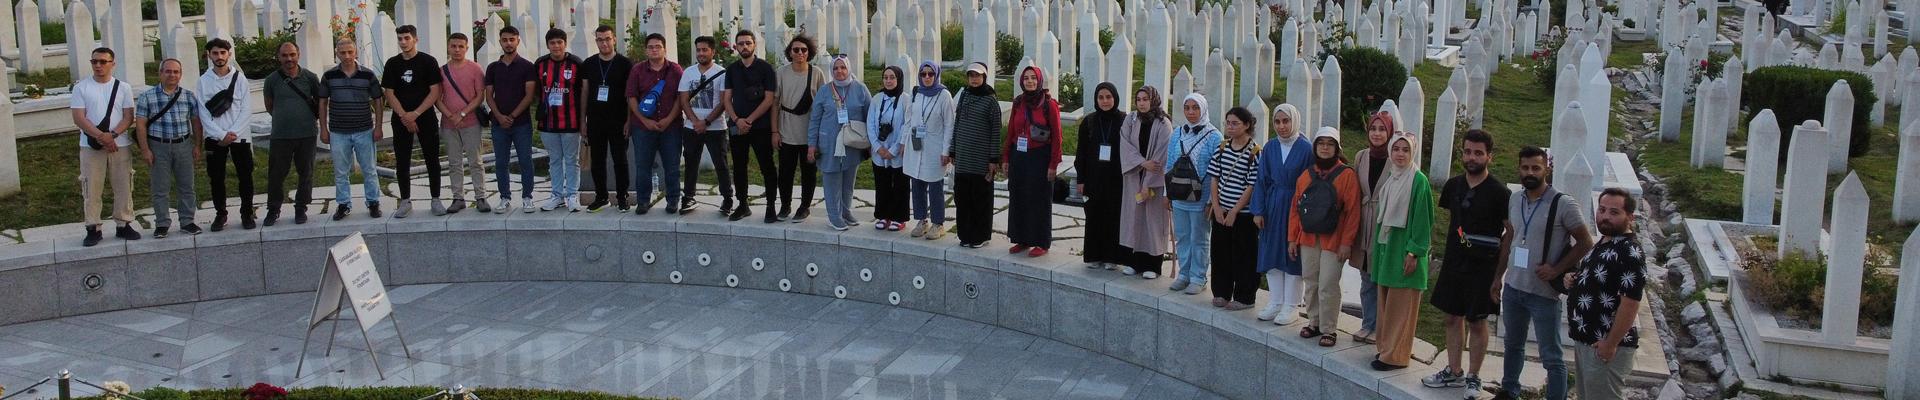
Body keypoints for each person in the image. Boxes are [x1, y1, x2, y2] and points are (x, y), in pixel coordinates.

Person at [1492, 146, 1595, 400]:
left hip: (1543, 292)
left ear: (1546, 169)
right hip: (1514, 287)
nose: (1530, 173)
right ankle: (1509, 391)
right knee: (1512, 345)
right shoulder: (1515, 199)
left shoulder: (1563, 203)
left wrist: (1556, 269)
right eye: (1525, 167)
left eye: (1536, 168)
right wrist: (1497, 278)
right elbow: (1510, 238)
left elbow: (1585, 242)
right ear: (1519, 168)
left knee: (1551, 356)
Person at [1423, 129, 1511, 395]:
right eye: (1468, 151)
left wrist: (1498, 272)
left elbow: (1510, 231)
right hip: (1454, 261)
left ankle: (1474, 376)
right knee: (1452, 317)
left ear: (1489, 156)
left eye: (1478, 153)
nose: (1472, 157)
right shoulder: (1454, 186)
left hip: (1483, 266)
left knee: (1476, 320)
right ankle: (1454, 370)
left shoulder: (1499, 193)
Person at [1566, 188, 1645, 400]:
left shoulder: (1629, 252)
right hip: (1586, 339)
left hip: (1604, 345)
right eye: (1602, 210)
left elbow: (1630, 303)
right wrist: (1573, 279)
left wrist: (1610, 344)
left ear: (1630, 217)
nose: (1605, 216)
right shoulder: (1604, 241)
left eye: (1614, 212)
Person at [1288, 127, 1363, 344]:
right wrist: (1292, 238)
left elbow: (1353, 212)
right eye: (1321, 143)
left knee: (1328, 283)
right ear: (1315, 147)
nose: (1325, 148)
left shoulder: (1347, 175)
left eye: (1330, 144)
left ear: (1337, 148)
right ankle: (1314, 321)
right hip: (1309, 238)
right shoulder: (1306, 175)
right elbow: (1295, 209)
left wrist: (1347, 243)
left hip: (1334, 240)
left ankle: (1329, 328)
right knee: (1311, 280)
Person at [1369, 132, 1433, 372]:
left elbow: (1423, 220)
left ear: (1413, 152)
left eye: (1406, 150)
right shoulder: (1392, 177)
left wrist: (1414, 252)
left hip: (1405, 249)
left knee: (1401, 304)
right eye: (1396, 149)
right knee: (1387, 303)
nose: (1400, 154)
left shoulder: (1418, 181)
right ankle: (1385, 348)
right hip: (1388, 247)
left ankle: (1395, 355)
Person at [73, 47, 140, 246]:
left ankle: (123, 223)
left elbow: (128, 116)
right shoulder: (81, 87)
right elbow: (79, 117)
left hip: (120, 145)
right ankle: (93, 226)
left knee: (123, 185)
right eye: (94, 61)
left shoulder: (123, 87)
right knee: (91, 187)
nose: (98, 65)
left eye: (103, 61)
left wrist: (113, 135)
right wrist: (101, 136)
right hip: (91, 146)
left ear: (113, 64)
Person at [1251, 104, 1312, 322]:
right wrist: (1258, 210)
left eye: (1286, 121)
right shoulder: (1270, 147)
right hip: (1273, 205)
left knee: (1292, 255)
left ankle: (1291, 305)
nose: (1281, 126)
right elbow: (1261, 180)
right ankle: (1275, 301)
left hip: (1296, 207)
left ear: (1294, 121)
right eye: (1277, 122)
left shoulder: (1306, 149)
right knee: (1271, 252)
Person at [380, 25, 445, 217]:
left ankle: (436, 199)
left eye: (407, 38)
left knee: (432, 159)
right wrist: (404, 116)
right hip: (401, 119)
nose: (403, 42)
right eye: (400, 38)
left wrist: (415, 114)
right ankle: (405, 201)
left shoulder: (428, 61)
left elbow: (435, 91)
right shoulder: (392, 63)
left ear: (415, 39)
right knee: (402, 160)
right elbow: (389, 93)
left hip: (425, 117)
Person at [136, 58, 204, 238]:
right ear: (160, 73)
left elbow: (196, 122)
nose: (172, 75)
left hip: (183, 145)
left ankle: (187, 221)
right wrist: (145, 150)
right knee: (160, 188)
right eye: (168, 71)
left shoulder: (188, 96)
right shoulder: (147, 97)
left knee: (187, 186)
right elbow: (140, 125)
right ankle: (162, 223)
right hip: (158, 146)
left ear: (180, 74)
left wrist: (197, 145)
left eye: (176, 72)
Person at [320, 38, 386, 221]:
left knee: (369, 169)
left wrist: (378, 126)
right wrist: (323, 128)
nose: (347, 56)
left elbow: (378, 100)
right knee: (341, 172)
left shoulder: (368, 75)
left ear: (356, 52)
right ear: (337, 54)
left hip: (364, 130)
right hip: (338, 131)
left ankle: (373, 202)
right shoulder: (329, 76)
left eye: (350, 52)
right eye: (343, 53)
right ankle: (343, 204)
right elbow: (322, 102)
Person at [1165, 93, 1222, 294]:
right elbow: (1169, 164)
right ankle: (1184, 274)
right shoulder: (1177, 133)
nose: (1191, 112)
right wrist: (1166, 193)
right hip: (1179, 194)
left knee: (1199, 237)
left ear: (1203, 109)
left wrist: (1211, 200)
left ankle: (1198, 277)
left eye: (1195, 108)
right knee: (1182, 236)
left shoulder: (1214, 136)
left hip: (1201, 197)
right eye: (1187, 108)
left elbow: (1217, 172)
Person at [1003, 66, 1062, 257]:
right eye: (1026, 78)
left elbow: (1057, 137)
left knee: (1039, 199)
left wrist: (1053, 164)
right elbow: (1011, 131)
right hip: (1019, 155)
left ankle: (1041, 241)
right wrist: (1006, 157)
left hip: (1040, 156)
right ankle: (1021, 238)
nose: (1030, 81)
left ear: (1039, 80)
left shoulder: (1048, 104)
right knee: (1019, 196)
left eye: (1033, 78)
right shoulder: (1018, 102)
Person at [1206, 107, 1261, 309]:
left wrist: (1235, 211)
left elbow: (1251, 186)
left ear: (1247, 125)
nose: (1230, 127)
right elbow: (1214, 178)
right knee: (1220, 253)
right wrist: (1217, 206)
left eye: (1235, 123)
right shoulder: (1222, 147)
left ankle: (1245, 297)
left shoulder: (1254, 152)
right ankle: (1221, 292)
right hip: (1221, 212)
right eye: (1228, 122)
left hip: (1243, 215)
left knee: (1244, 255)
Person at [807, 55, 870, 231]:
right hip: (828, 142)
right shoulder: (824, 91)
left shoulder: (860, 89)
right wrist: (812, 144)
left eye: (843, 67)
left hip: (852, 142)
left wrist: (871, 142)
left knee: (848, 180)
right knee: (832, 180)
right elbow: (814, 119)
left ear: (848, 68)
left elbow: (869, 115)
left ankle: (846, 211)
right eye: (835, 68)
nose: (839, 71)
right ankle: (834, 216)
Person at [1351, 111, 1398, 344]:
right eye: (1373, 129)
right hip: (1364, 222)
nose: (1377, 134)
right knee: (1366, 276)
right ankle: (1368, 323)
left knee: (1382, 277)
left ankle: (1382, 327)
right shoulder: (1361, 157)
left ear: (1389, 132)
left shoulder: (1396, 157)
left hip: (1385, 223)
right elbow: (1355, 190)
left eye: (1382, 129)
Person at [199, 38, 256, 230]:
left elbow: (246, 109)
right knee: (216, 178)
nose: (219, 56)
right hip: (215, 138)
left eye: (223, 53)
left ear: (229, 54)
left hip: (239, 136)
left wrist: (233, 133)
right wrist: (220, 134)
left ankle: (247, 213)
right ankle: (220, 214)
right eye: (215, 53)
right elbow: (203, 113)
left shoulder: (240, 79)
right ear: (209, 55)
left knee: (245, 175)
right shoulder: (203, 81)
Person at [262, 42, 321, 226]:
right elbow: (269, 105)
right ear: (278, 57)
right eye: (285, 55)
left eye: (292, 54)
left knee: (306, 173)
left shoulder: (310, 78)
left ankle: (301, 208)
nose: (289, 59)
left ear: (298, 54)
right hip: (281, 135)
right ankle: (273, 209)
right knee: (276, 175)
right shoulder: (271, 80)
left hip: (307, 133)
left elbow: (320, 102)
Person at [625, 32, 684, 215]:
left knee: (672, 166)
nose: (654, 50)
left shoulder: (675, 70)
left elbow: (681, 97)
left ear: (664, 49)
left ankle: (673, 200)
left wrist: (669, 119)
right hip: (643, 127)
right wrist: (645, 121)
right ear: (646, 50)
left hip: (671, 127)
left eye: (658, 46)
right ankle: (643, 201)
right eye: (650, 47)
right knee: (643, 166)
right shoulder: (637, 70)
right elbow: (631, 97)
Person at [724, 30, 780, 221]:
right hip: (737, 126)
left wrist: (749, 120)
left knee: (767, 166)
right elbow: (727, 99)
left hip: (761, 127)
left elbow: (769, 99)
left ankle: (771, 206)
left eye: (748, 43)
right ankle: (742, 204)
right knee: (739, 167)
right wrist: (737, 120)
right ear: (736, 47)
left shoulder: (765, 68)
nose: (744, 46)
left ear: (754, 44)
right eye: (741, 43)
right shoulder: (732, 70)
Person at [1117, 86, 1172, 278]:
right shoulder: (1131, 120)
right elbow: (1125, 145)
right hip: (1134, 175)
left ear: (1153, 100)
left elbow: (1161, 155)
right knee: (1134, 219)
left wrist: (1148, 181)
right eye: (1138, 99)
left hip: (1154, 181)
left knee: (1153, 221)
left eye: (1145, 99)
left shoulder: (1163, 123)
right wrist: (1142, 162)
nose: (1141, 103)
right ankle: (1134, 262)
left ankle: (1153, 266)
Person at [485, 25, 539, 213]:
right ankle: (504, 197)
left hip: (521, 123)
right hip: (498, 124)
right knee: (501, 162)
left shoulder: (527, 66)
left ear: (518, 41)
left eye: (511, 39)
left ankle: (527, 197)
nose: (508, 43)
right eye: (504, 40)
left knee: (525, 161)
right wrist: (500, 117)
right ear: (500, 41)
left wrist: (512, 116)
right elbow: (489, 96)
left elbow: (529, 96)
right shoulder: (493, 68)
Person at [948, 62, 1003, 248]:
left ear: (984, 77)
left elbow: (996, 131)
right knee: (963, 198)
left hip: (981, 160)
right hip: (963, 158)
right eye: (971, 75)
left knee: (981, 199)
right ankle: (965, 235)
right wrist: (953, 149)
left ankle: (980, 236)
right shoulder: (964, 95)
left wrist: (993, 159)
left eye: (978, 75)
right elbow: (957, 123)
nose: (974, 79)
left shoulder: (990, 100)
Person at [774, 35, 827, 223]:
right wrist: (774, 131)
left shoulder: (816, 73)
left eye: (803, 50)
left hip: (809, 132)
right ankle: (785, 205)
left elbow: (823, 103)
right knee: (785, 172)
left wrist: (820, 134)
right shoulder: (781, 72)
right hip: (786, 130)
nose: (800, 53)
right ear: (790, 52)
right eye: (795, 49)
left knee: (808, 172)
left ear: (809, 52)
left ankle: (805, 206)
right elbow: (775, 103)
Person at [679, 36, 735, 217]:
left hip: (716, 127)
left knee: (721, 164)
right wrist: (695, 121)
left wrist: (707, 122)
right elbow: (683, 99)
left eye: (705, 50)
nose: (701, 53)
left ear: (713, 52)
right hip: (691, 127)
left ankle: (727, 198)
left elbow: (723, 101)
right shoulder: (688, 72)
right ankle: (688, 197)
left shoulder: (722, 73)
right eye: (698, 50)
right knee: (691, 162)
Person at [579, 25, 633, 212]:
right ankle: (601, 196)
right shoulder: (589, 63)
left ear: (614, 39)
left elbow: (630, 95)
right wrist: (582, 121)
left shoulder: (625, 64)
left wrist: (629, 120)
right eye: (600, 39)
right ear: (596, 41)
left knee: (620, 160)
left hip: (618, 119)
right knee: (597, 160)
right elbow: (585, 92)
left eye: (607, 39)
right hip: (595, 119)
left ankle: (622, 196)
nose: (604, 43)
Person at [437, 32, 492, 214]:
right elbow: (437, 97)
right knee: (454, 162)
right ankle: (458, 197)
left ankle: (481, 197)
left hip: (471, 122)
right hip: (449, 124)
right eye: (453, 46)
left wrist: (462, 113)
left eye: (461, 46)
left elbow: (479, 96)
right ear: (448, 47)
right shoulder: (442, 71)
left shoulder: (475, 68)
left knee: (475, 161)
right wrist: (450, 115)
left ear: (467, 48)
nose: (457, 50)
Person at [1075, 82, 1127, 267]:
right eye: (1101, 97)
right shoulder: (1089, 122)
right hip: (1093, 178)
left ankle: (1112, 258)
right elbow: (1081, 152)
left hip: (1116, 179)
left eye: (1108, 97)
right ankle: (1094, 256)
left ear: (1115, 98)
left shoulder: (1124, 121)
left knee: (1113, 217)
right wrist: (1081, 179)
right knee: (1094, 216)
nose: (1105, 101)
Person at [534, 28, 585, 212]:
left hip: (571, 121)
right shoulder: (540, 64)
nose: (556, 46)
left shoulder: (576, 63)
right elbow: (536, 91)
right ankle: (556, 195)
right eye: (552, 43)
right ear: (547, 45)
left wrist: (583, 120)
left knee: (572, 160)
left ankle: (572, 195)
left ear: (565, 43)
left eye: (559, 42)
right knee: (554, 160)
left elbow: (583, 91)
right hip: (548, 122)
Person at [901, 61, 953, 240]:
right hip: (915, 145)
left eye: (931, 74)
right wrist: (903, 142)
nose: (927, 77)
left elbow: (949, 125)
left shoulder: (944, 95)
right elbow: (908, 120)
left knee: (935, 185)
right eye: (923, 74)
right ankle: (922, 220)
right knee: (917, 184)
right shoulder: (916, 93)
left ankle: (938, 223)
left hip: (934, 147)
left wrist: (946, 150)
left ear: (936, 75)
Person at [866, 65, 910, 231]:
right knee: (882, 184)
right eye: (886, 78)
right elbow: (870, 124)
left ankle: (899, 217)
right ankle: (883, 215)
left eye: (892, 77)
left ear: (899, 79)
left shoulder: (905, 100)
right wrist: (878, 147)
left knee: (900, 184)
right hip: (879, 150)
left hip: (897, 151)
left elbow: (906, 125)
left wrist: (893, 150)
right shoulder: (877, 99)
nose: (889, 81)